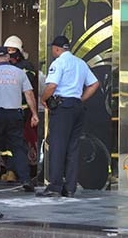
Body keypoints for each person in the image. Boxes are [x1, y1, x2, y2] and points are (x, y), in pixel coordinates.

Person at [38, 36, 99, 198]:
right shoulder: (81, 63)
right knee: (73, 147)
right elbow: (94, 84)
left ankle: (55, 186)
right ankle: (70, 188)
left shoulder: (59, 63)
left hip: (63, 107)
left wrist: (43, 99)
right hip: (77, 107)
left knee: (58, 146)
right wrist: (80, 98)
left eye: (53, 48)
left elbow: (52, 86)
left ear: (57, 49)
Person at [0, 46, 38, 193]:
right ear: (8, 58)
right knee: (18, 148)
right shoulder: (19, 73)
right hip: (14, 114)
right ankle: (26, 180)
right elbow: (29, 94)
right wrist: (34, 114)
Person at [3, 35, 38, 179]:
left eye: (12, 50)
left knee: (18, 141)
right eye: (8, 50)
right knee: (8, 142)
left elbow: (28, 89)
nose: (10, 53)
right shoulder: (8, 67)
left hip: (21, 110)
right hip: (8, 109)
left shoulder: (26, 67)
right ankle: (11, 171)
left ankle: (17, 172)